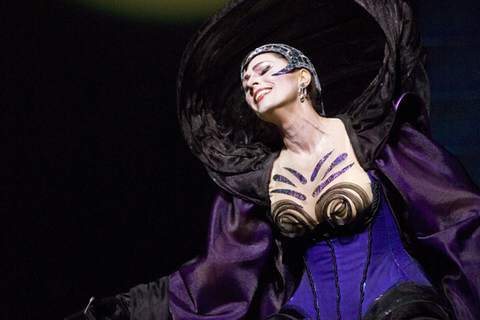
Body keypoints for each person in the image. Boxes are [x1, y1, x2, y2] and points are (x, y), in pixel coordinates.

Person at [65, 0, 480, 319]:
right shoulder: (255, 186)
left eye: (264, 70)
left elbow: (459, 220)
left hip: (400, 304)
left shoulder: (379, 141)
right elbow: (213, 279)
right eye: (247, 83)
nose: (253, 83)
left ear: (303, 77)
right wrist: (121, 309)